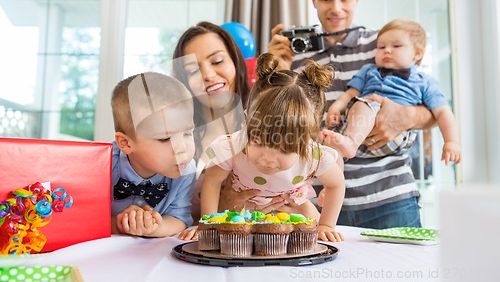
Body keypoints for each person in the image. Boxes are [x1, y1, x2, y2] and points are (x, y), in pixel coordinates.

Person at [267, 0, 436, 229]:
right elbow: (276, 125)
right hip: (322, 203)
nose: (336, 8)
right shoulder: (296, 55)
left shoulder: (384, 46)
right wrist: (279, 70)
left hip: (390, 196)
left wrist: (406, 116)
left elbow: (432, 108)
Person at [181, 53, 345, 242]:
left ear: (307, 138)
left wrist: (326, 224)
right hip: (244, 211)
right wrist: (207, 224)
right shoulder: (233, 146)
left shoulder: (313, 155)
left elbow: (336, 184)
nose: (267, 158)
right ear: (247, 120)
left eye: (284, 149)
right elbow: (213, 180)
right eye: (258, 142)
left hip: (293, 208)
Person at [323, 18, 462, 165]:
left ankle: (349, 143)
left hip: (396, 136)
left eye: (396, 46)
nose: (387, 50)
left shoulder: (424, 81)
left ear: (417, 53)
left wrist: (451, 141)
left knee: (363, 105)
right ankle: (335, 181)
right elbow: (350, 93)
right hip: (359, 132)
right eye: (381, 47)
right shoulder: (369, 70)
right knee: (331, 147)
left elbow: (442, 112)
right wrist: (336, 107)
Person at [171, 21, 254, 222]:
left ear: (235, 61)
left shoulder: (267, 124)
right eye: (193, 71)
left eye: (217, 61)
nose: (207, 75)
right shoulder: (177, 139)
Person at [110, 72, 197, 237]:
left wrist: (156, 228)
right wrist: (117, 224)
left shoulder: (185, 168)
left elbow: (179, 218)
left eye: (188, 133)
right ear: (125, 143)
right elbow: (83, 218)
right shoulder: (102, 164)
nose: (182, 148)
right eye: (165, 138)